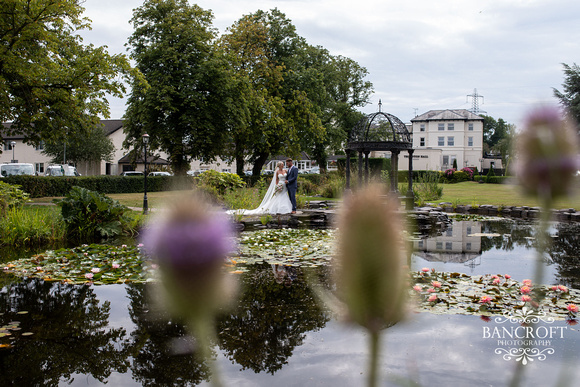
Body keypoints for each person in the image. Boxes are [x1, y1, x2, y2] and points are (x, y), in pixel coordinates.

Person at [227, 161, 292, 215]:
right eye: (282, 165)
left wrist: (287, 181)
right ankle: (278, 209)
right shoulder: (277, 172)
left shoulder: (285, 171)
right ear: (279, 166)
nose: (283, 166)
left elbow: (288, 177)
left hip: (285, 185)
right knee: (278, 196)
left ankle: (285, 208)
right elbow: (276, 180)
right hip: (280, 184)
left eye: (283, 165)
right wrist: (277, 186)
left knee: (284, 196)